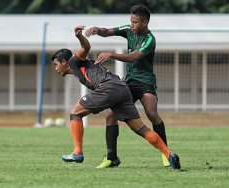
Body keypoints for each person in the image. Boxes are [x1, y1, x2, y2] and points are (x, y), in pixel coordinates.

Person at [51, 25, 181, 170]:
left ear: (64, 62)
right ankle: (169, 154)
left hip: (109, 87)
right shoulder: (79, 68)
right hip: (122, 88)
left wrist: (79, 36)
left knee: (75, 112)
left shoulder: (74, 61)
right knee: (141, 128)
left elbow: (86, 47)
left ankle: (77, 153)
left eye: (56, 65)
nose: (55, 69)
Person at [85, 4, 171, 168]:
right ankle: (111, 158)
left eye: (135, 22)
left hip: (145, 82)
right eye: (131, 21)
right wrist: (97, 29)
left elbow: (134, 56)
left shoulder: (150, 40)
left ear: (145, 23)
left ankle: (166, 153)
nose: (132, 25)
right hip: (129, 82)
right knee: (111, 115)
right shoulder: (128, 30)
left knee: (152, 113)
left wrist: (111, 54)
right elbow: (108, 31)